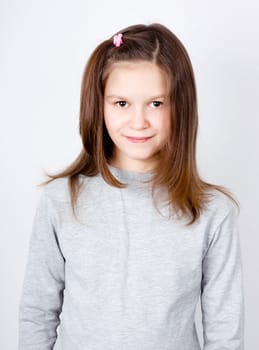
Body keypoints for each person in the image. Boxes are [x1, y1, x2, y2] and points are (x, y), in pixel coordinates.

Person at [19, 23, 244, 350]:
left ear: (181, 105)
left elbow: (225, 331)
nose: (138, 121)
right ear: (99, 105)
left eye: (156, 103)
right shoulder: (61, 200)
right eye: (121, 103)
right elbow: (38, 313)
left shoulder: (213, 212)